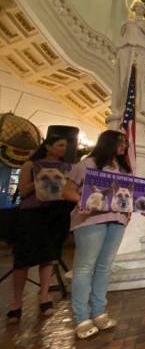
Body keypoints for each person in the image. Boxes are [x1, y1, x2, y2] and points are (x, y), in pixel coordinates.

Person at [62, 130, 139, 339]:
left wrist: (133, 207)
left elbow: (131, 194)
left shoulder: (124, 168)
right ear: (107, 142)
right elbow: (67, 190)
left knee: (105, 267)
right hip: (91, 220)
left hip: (117, 220)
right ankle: (82, 317)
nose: (123, 145)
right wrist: (81, 200)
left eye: (125, 142)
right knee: (85, 267)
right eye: (119, 141)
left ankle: (99, 312)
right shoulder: (87, 164)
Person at [6, 135, 72, 324]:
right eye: (59, 145)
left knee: (48, 257)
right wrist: (43, 179)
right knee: (22, 259)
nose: (63, 150)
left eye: (65, 146)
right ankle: (16, 303)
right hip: (31, 214)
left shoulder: (66, 167)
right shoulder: (31, 165)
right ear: (48, 146)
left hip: (55, 213)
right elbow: (23, 191)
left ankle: (44, 296)